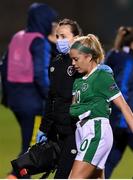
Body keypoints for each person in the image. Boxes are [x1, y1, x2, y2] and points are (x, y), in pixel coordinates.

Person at [0, 3, 58, 178]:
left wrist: (6, 96)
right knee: (32, 152)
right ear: (44, 20)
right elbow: (40, 74)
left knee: (29, 148)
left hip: (15, 101)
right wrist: (52, 98)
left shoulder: (18, 36)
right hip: (33, 103)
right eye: (51, 20)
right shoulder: (39, 41)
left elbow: (3, 67)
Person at [68, 34, 133, 179]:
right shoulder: (78, 80)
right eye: (71, 59)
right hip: (82, 132)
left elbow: (124, 106)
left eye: (76, 59)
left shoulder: (101, 76)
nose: (72, 63)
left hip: (96, 132)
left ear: (89, 56)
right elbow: (74, 109)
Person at [36, 18, 83, 179]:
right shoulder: (55, 63)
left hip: (76, 130)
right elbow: (52, 98)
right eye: (57, 36)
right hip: (57, 131)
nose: (59, 41)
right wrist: (44, 127)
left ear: (76, 38)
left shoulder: (83, 63)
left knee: (63, 175)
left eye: (64, 36)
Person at [105, 26, 133, 178]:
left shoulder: (114, 54)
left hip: (114, 118)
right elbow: (122, 89)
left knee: (110, 160)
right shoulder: (128, 61)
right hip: (126, 120)